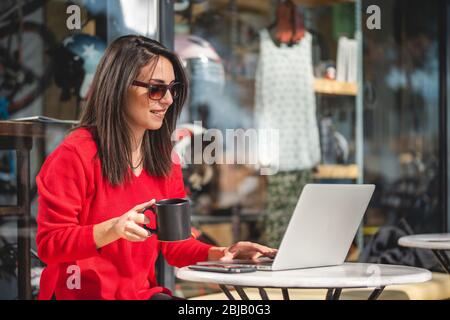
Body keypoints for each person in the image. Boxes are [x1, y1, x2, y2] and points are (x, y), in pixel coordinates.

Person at [35, 35, 277, 300]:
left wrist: (221, 253)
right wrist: (112, 229)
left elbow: (176, 245)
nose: (169, 100)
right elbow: (50, 245)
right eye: (156, 89)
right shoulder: (75, 154)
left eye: (173, 89)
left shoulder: (163, 159)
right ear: (119, 87)